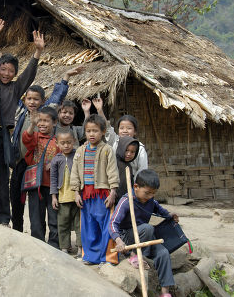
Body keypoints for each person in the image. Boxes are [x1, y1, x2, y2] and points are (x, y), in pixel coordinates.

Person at [0, 18, 44, 226]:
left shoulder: (16, 89)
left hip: (3, 137)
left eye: (11, 71)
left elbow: (29, 74)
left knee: (1, 179)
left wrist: (37, 52)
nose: (6, 73)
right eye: (3, 69)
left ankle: (2, 219)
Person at [10, 66, 84, 232]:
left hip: (41, 166)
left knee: (42, 201)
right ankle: (17, 230)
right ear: (24, 100)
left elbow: (57, 96)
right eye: (29, 98)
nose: (32, 102)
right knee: (17, 198)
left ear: (43, 102)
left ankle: (49, 236)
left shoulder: (45, 113)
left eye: (36, 99)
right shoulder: (20, 112)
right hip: (21, 162)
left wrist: (65, 77)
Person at [110, 169, 178, 297]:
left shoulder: (150, 201)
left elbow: (161, 211)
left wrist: (170, 215)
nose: (150, 196)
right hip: (128, 238)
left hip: (144, 238)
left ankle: (165, 293)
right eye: (147, 193)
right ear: (136, 187)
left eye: (153, 193)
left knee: (163, 253)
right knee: (147, 228)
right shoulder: (126, 201)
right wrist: (118, 240)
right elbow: (113, 223)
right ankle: (133, 255)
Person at [70, 114, 119, 265]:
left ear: (103, 132)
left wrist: (113, 192)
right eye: (88, 131)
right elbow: (75, 173)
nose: (92, 134)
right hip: (86, 194)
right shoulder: (80, 151)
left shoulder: (107, 150)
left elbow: (112, 171)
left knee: (106, 225)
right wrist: (76, 192)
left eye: (95, 131)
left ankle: (107, 257)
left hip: (102, 194)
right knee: (88, 226)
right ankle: (91, 257)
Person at [22, 106, 60, 248]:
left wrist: (55, 163)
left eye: (46, 121)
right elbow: (26, 139)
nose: (42, 124)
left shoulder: (58, 141)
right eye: (40, 121)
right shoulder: (35, 137)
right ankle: (38, 244)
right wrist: (32, 124)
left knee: (54, 217)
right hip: (35, 185)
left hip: (52, 187)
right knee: (36, 217)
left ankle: (54, 245)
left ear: (55, 123)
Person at [91, 97, 148, 178]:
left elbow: (142, 169)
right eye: (121, 128)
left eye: (129, 128)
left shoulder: (140, 148)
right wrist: (100, 110)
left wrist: (136, 187)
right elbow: (107, 128)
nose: (125, 131)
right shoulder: (114, 141)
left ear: (135, 132)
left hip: (132, 184)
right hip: (114, 182)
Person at [50, 128, 81, 257]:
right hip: (63, 197)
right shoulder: (56, 159)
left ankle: (80, 247)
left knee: (79, 224)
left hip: (77, 197)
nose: (66, 145)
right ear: (57, 143)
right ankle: (64, 247)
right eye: (63, 143)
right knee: (63, 224)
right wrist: (54, 197)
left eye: (69, 142)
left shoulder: (78, 156)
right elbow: (53, 179)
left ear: (74, 141)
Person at [115, 136, 140, 202]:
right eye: (126, 150)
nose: (129, 154)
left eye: (132, 152)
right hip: (112, 200)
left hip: (124, 201)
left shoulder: (129, 167)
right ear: (121, 148)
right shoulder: (114, 163)